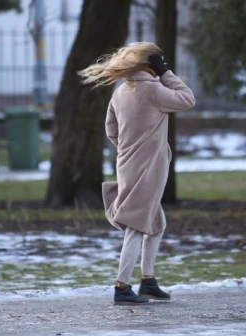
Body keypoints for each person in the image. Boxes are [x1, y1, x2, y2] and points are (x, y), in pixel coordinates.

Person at [79, 42, 195, 305]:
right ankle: (122, 287)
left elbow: (111, 130)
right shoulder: (154, 90)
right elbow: (187, 98)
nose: (161, 68)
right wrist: (167, 74)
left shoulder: (120, 93)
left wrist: (130, 148)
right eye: (159, 63)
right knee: (135, 227)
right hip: (148, 169)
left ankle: (148, 281)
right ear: (151, 65)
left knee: (156, 226)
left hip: (128, 165)